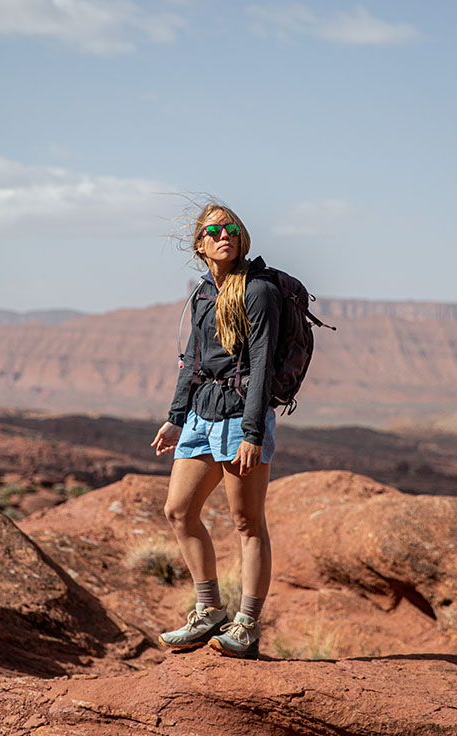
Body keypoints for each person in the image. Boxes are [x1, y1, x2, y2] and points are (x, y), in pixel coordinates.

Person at [150, 200, 281, 660]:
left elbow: (263, 364)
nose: (225, 234)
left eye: (232, 228)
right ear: (200, 244)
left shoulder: (257, 291)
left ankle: (246, 623)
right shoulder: (204, 292)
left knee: (247, 522)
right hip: (201, 417)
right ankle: (209, 610)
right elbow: (193, 361)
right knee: (178, 511)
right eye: (214, 230)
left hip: (240, 417)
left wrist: (252, 433)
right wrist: (175, 416)